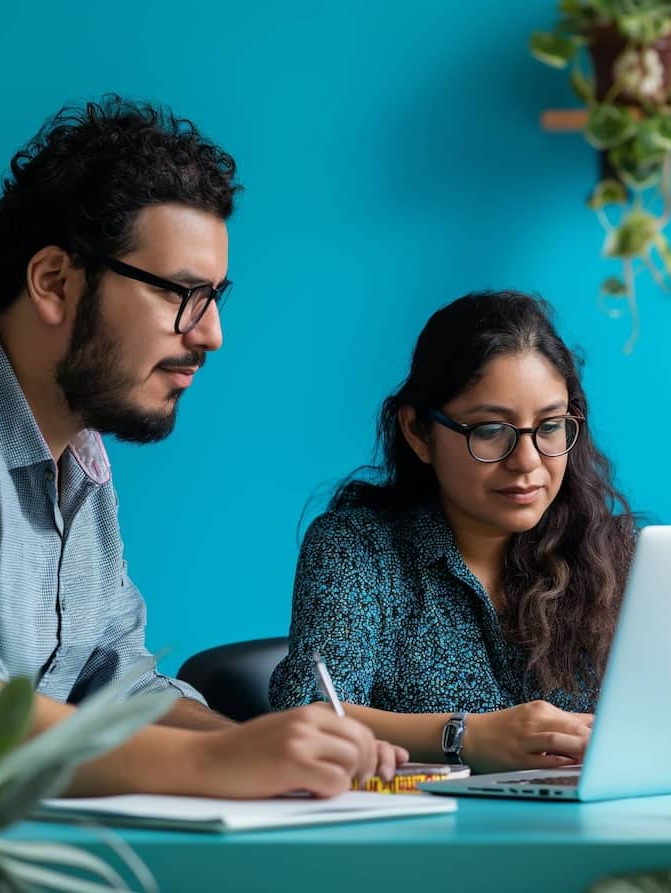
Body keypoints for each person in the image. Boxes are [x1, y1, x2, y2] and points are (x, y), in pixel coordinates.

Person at [0, 96, 404, 798]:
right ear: (54, 281)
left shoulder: (79, 450)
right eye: (184, 294)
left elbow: (120, 686)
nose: (211, 334)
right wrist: (219, 765)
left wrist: (279, 750)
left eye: (216, 296)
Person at [269, 291, 637, 772]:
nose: (527, 462)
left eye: (549, 427)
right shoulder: (360, 550)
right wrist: (467, 735)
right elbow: (309, 714)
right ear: (419, 432)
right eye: (490, 431)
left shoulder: (612, 555)